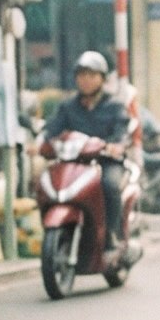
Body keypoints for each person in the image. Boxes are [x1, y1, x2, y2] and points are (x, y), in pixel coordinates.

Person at [41, 52, 130, 252]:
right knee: (47, 183)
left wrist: (116, 145)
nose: (86, 80)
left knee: (109, 186)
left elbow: (122, 132)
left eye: (92, 75)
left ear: (102, 79)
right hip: (75, 163)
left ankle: (111, 235)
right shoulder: (68, 107)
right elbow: (52, 130)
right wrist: (40, 142)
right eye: (82, 75)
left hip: (106, 163)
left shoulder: (115, 106)